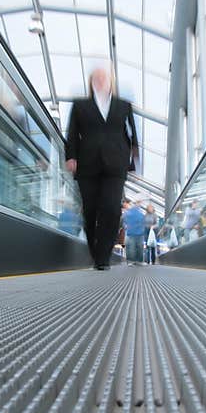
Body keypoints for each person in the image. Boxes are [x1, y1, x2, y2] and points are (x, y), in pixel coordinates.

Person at [66, 67, 139, 270]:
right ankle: (94, 249)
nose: (100, 80)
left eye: (103, 77)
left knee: (112, 208)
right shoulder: (80, 105)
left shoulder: (123, 105)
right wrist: (70, 156)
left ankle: (103, 257)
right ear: (91, 81)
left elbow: (131, 131)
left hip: (115, 164)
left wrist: (134, 157)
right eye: (96, 77)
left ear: (110, 81)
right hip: (87, 163)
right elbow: (72, 132)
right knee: (90, 210)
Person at [123, 200, 145, 265]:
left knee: (136, 247)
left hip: (136, 232)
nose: (139, 204)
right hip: (134, 233)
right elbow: (125, 222)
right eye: (137, 203)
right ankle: (135, 261)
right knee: (135, 247)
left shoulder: (137, 212)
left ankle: (135, 261)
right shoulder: (131, 212)